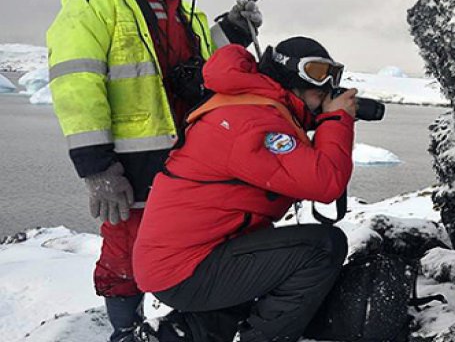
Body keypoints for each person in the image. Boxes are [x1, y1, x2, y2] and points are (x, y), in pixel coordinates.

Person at [46, 0, 262, 340]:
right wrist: (96, 166)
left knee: (198, 241)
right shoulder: (92, 3)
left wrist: (235, 30)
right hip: (130, 160)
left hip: (186, 155)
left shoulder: (176, 6)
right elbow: (75, 84)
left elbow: (205, 58)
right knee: (127, 247)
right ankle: (126, 331)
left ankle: (193, 321)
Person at [131, 37, 356, 342]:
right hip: (187, 269)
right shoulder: (253, 123)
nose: (324, 98)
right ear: (292, 84)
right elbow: (325, 182)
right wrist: (337, 119)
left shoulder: (249, 106)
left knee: (264, 251)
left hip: (184, 259)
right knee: (322, 248)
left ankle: (181, 334)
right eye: (319, 92)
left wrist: (323, 119)